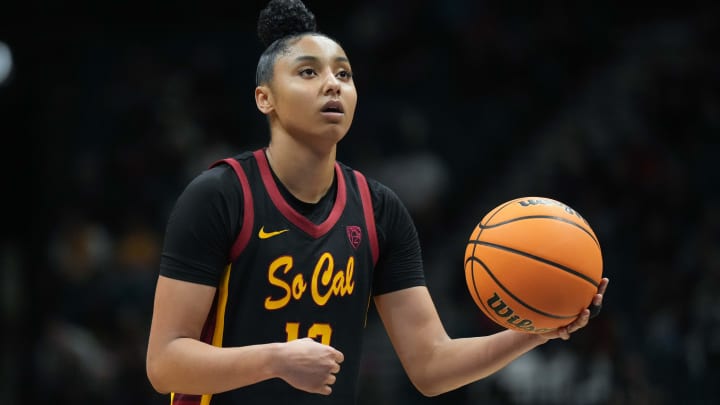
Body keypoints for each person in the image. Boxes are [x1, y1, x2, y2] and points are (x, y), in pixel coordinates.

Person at [145, 0, 610, 404]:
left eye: (343, 74)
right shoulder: (219, 196)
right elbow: (165, 364)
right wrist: (275, 360)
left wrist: (533, 332)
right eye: (308, 72)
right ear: (264, 98)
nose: (333, 84)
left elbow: (431, 367)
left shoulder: (380, 210)